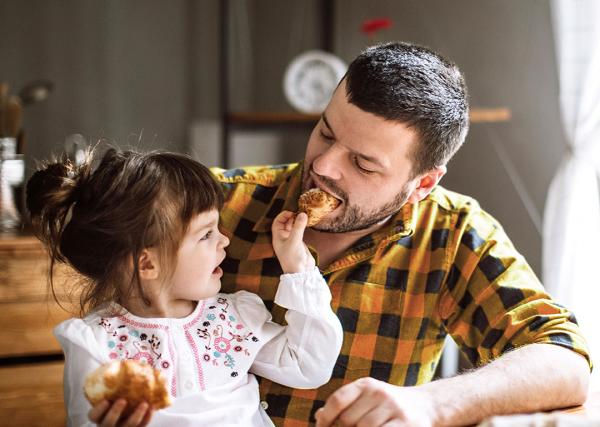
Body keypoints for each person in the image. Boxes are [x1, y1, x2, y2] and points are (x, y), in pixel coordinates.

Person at [212, 42, 592, 426]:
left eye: (362, 163)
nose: (324, 166)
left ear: (423, 183)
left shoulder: (450, 233)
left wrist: (434, 403)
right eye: (326, 133)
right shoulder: (211, 202)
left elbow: (564, 361)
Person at [25, 148, 343, 426]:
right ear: (147, 264)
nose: (224, 241)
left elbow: (308, 366)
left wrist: (297, 264)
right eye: (206, 234)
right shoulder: (96, 345)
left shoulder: (233, 319)